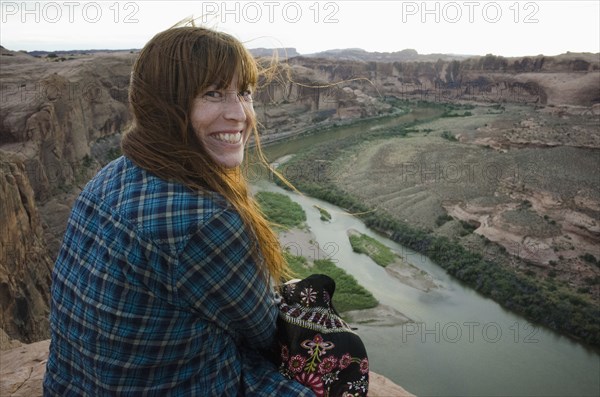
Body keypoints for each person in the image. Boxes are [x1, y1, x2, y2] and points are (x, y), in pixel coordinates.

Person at [43, 23, 315, 396]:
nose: (239, 114)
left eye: (245, 93)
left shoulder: (112, 174)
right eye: (213, 93)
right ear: (165, 105)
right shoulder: (205, 221)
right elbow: (264, 333)